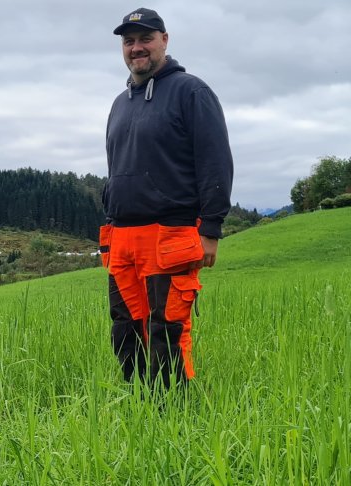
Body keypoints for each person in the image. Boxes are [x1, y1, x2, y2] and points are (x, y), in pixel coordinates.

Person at [100, 8, 233, 390]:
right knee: (126, 328)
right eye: (129, 41)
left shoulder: (192, 92)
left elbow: (215, 162)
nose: (136, 48)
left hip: (170, 236)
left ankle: (173, 414)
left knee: (167, 330)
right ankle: (137, 403)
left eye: (145, 39)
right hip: (122, 239)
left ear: (164, 40)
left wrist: (211, 229)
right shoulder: (119, 103)